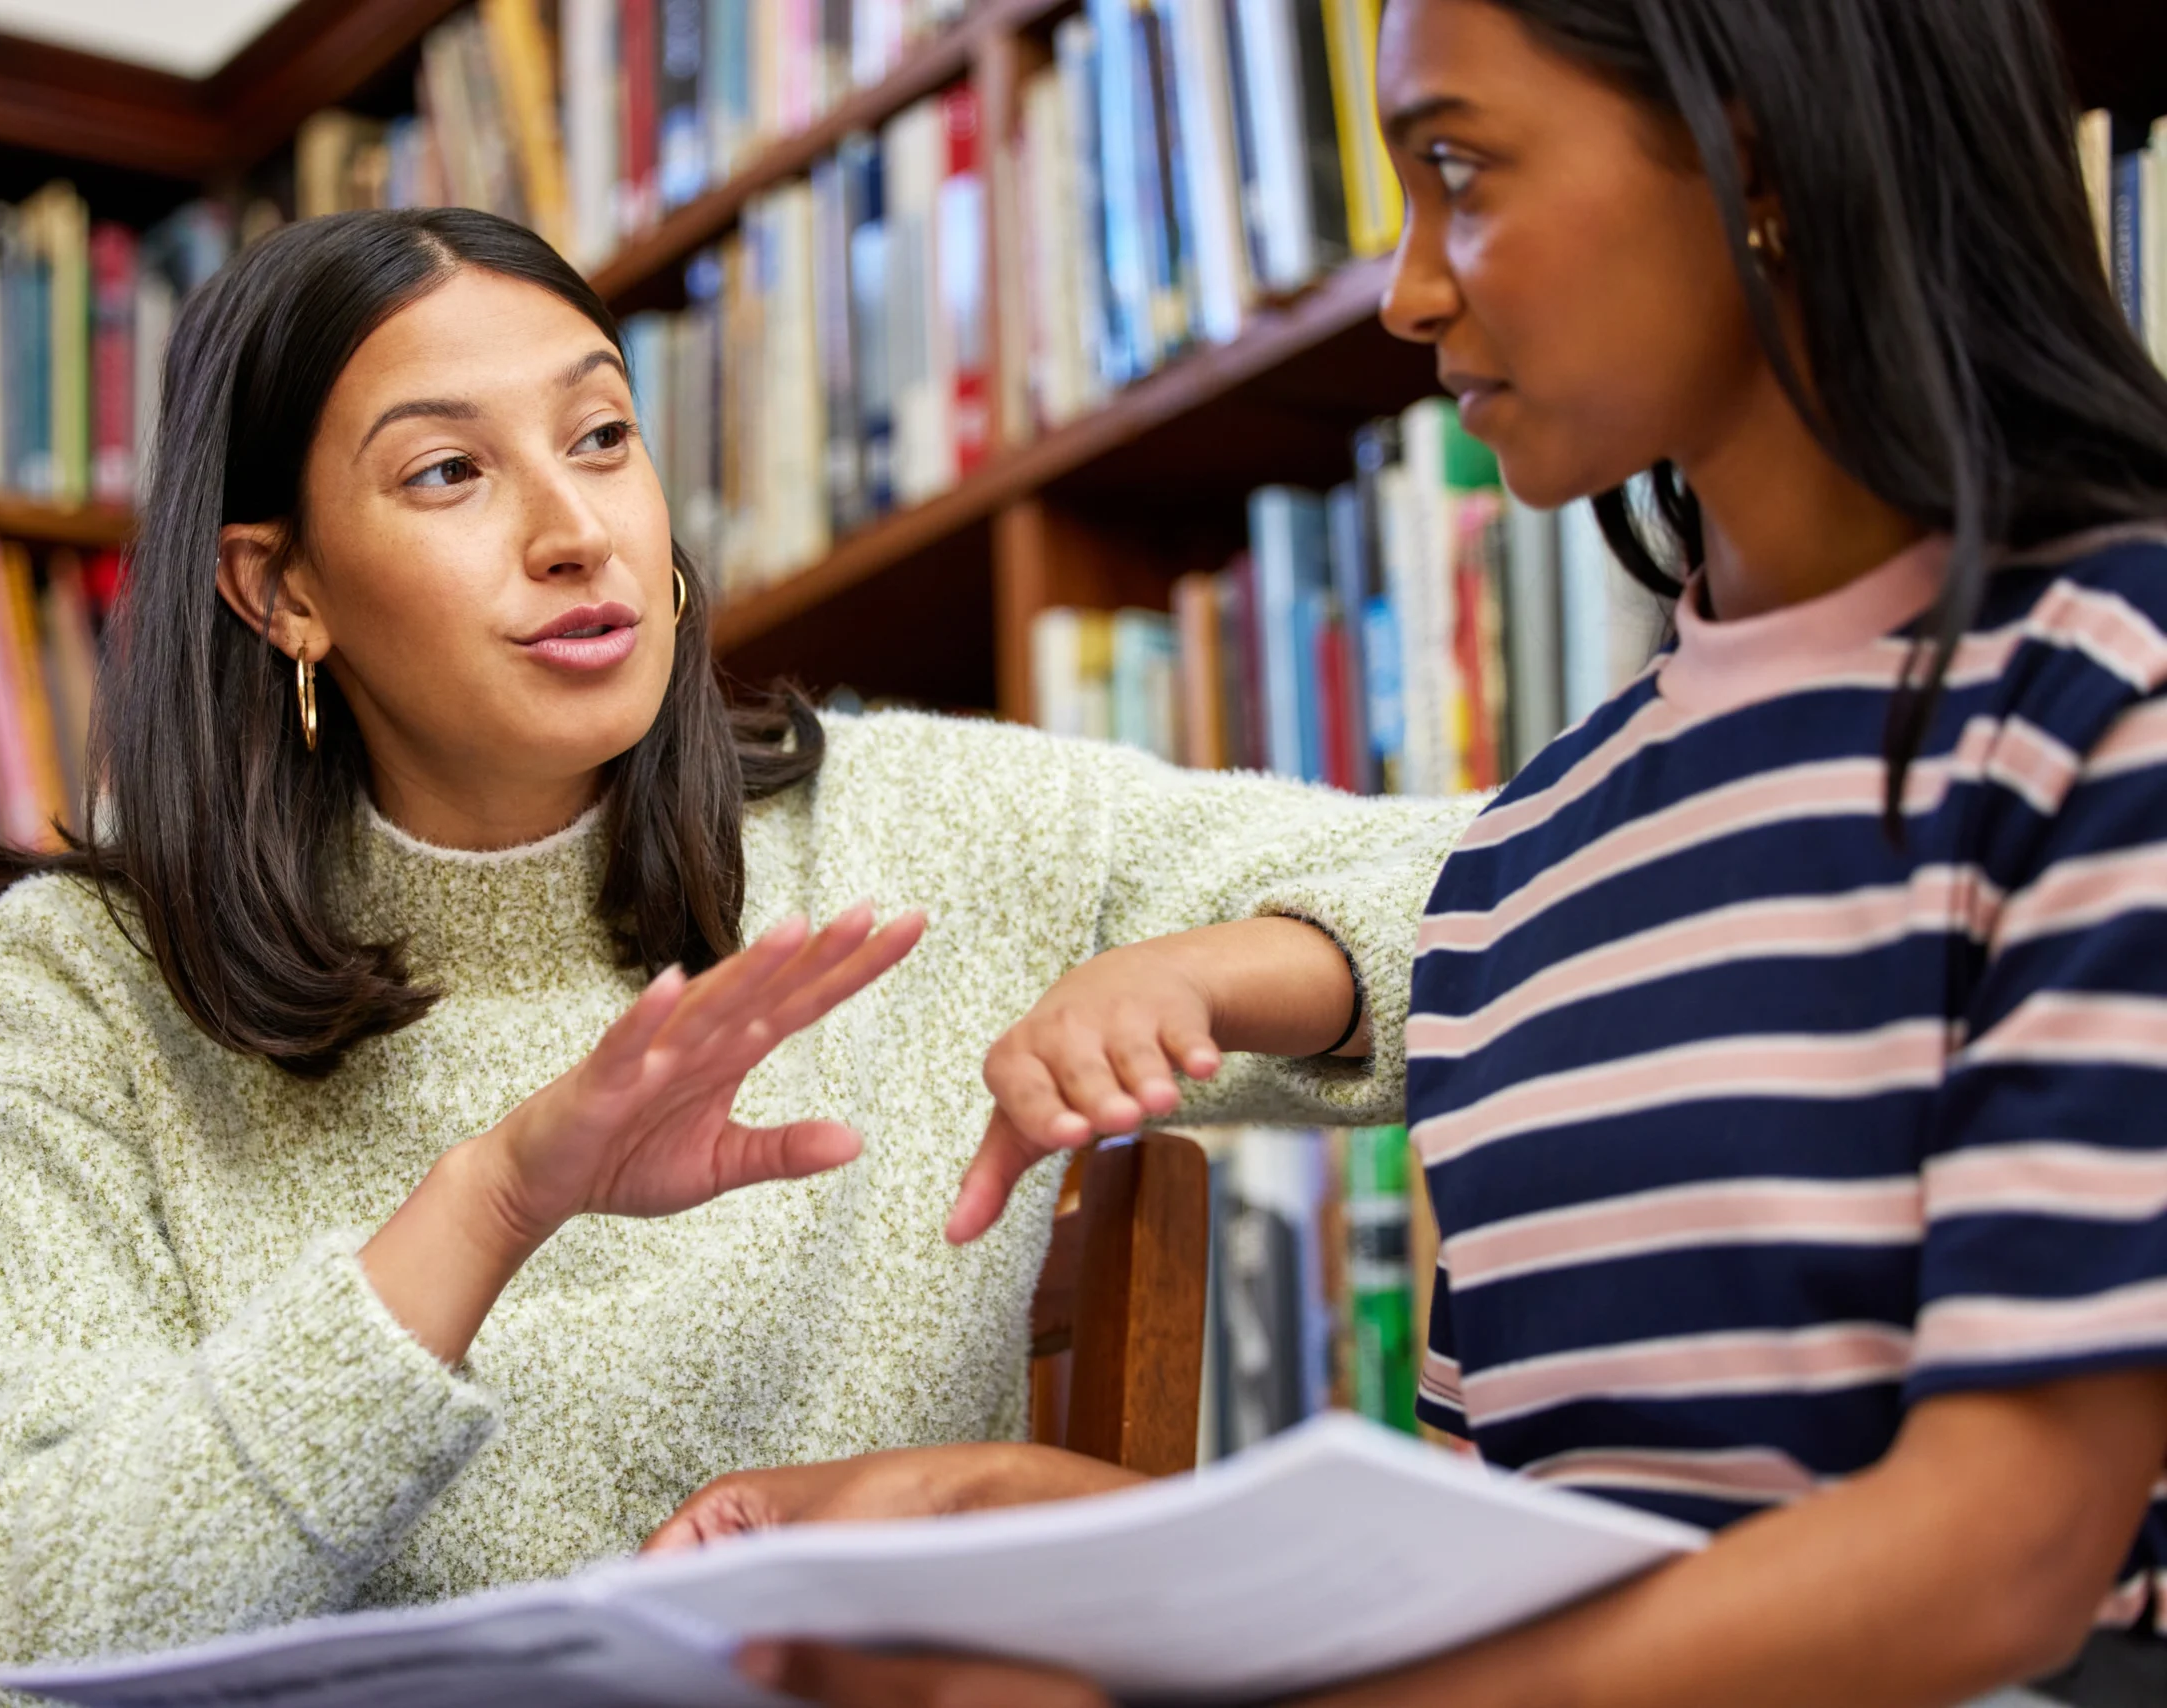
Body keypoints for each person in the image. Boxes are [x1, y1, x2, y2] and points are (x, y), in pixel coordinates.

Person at [651, 1, 2167, 1704]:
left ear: (1760, 148)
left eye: (1460, 171)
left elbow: (2014, 1557)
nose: (1405, 290)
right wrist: (980, 1517)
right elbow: (1522, 1557)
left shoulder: (2113, 696)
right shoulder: (1525, 860)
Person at [0, 207, 1473, 1705]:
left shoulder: (918, 832)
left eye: (602, 438)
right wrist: (493, 1204)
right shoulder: (89, 984)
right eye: (449, 473)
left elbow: (1533, 892)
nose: (578, 532)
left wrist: (1242, 969)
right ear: (281, 587)